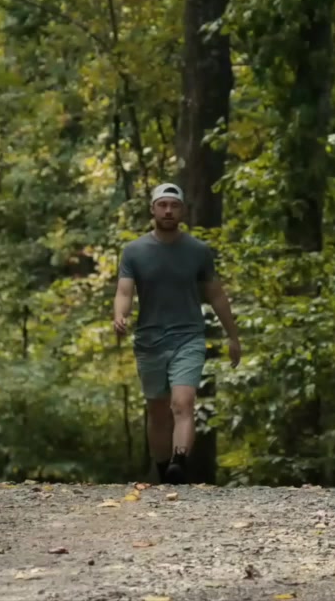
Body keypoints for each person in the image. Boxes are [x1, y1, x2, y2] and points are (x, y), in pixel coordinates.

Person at [112, 182, 242, 485]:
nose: (168, 211)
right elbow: (124, 291)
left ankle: (179, 462)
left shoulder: (198, 251)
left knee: (183, 403)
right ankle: (164, 472)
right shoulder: (134, 251)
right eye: (163, 205)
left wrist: (233, 336)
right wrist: (120, 316)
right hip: (149, 341)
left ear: (182, 210)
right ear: (153, 209)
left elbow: (217, 295)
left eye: (174, 205)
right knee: (158, 412)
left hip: (188, 337)